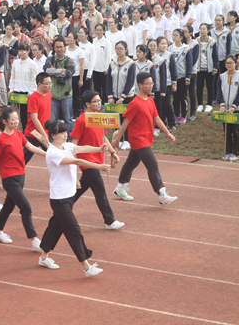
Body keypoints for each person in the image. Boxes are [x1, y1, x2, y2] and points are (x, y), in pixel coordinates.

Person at [37, 119, 108, 277]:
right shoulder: (53, 153)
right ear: (53, 135)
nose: (65, 134)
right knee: (74, 231)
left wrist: (99, 148)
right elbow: (76, 160)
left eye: (65, 131)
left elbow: (82, 148)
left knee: (55, 227)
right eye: (61, 133)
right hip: (59, 199)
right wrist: (99, 167)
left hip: (69, 196)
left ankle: (43, 257)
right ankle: (87, 267)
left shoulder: (67, 146)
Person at [0, 107, 46, 248]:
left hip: (21, 176)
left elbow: (32, 148)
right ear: (5, 122)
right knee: (25, 207)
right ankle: (34, 240)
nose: (16, 122)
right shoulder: (0, 140)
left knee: (8, 206)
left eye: (17, 119)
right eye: (13, 120)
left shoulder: (18, 134)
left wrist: (49, 154)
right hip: (9, 179)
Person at [111, 72, 179, 203]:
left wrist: (168, 133)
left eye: (152, 83)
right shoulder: (134, 103)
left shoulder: (150, 101)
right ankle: (161, 194)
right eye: (148, 84)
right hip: (138, 139)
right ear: (140, 85)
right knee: (152, 165)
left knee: (131, 163)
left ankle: (120, 187)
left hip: (147, 138)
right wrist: (116, 140)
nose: (151, 86)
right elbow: (125, 123)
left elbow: (157, 119)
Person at [70, 90, 124, 230]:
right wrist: (72, 160)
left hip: (98, 160)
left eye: (100, 100)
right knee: (100, 190)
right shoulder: (82, 120)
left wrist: (112, 152)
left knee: (82, 187)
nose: (99, 103)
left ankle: (64, 205)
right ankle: (109, 221)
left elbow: (103, 137)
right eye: (95, 101)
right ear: (87, 104)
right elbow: (74, 142)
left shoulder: (99, 117)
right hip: (87, 161)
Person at [217, 55, 239, 160]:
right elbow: (219, 93)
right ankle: (227, 151)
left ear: (235, 64)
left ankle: (236, 152)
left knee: (236, 132)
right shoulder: (221, 76)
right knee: (227, 131)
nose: (229, 65)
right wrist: (222, 105)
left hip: (236, 109)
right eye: (227, 63)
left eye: (231, 63)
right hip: (225, 109)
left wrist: (234, 106)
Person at [44, 36, 75, 133]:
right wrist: (61, 70)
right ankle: (53, 139)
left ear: (65, 47)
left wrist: (53, 71)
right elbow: (46, 71)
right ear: (53, 48)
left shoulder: (70, 60)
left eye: (61, 47)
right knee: (53, 120)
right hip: (52, 95)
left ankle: (69, 139)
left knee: (68, 120)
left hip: (66, 94)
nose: (59, 49)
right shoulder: (49, 59)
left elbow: (69, 73)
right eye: (57, 47)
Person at [8, 43, 38, 132]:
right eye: (20, 51)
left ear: (28, 51)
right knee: (19, 113)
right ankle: (21, 131)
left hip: (27, 93)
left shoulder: (32, 64)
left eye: (23, 51)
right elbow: (12, 77)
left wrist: (31, 91)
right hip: (17, 92)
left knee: (27, 114)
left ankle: (27, 132)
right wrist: (11, 89)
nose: (21, 53)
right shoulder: (15, 63)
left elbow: (34, 79)